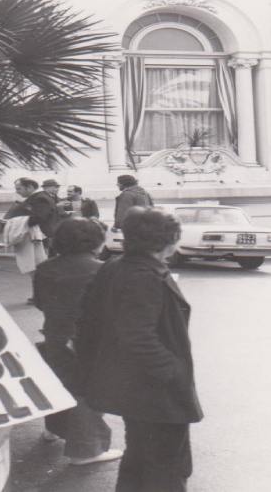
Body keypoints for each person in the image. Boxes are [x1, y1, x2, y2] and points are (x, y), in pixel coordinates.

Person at [77, 207, 203, 492]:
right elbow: (137, 336)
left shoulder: (116, 266)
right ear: (169, 240)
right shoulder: (145, 275)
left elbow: (87, 321)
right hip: (153, 390)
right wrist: (171, 371)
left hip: (133, 387)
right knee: (165, 464)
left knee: (140, 458)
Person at [33, 218, 123, 466]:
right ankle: (86, 450)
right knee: (88, 391)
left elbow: (40, 302)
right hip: (88, 340)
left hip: (54, 334)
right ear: (96, 241)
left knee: (59, 384)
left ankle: (54, 430)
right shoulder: (104, 269)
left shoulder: (45, 269)